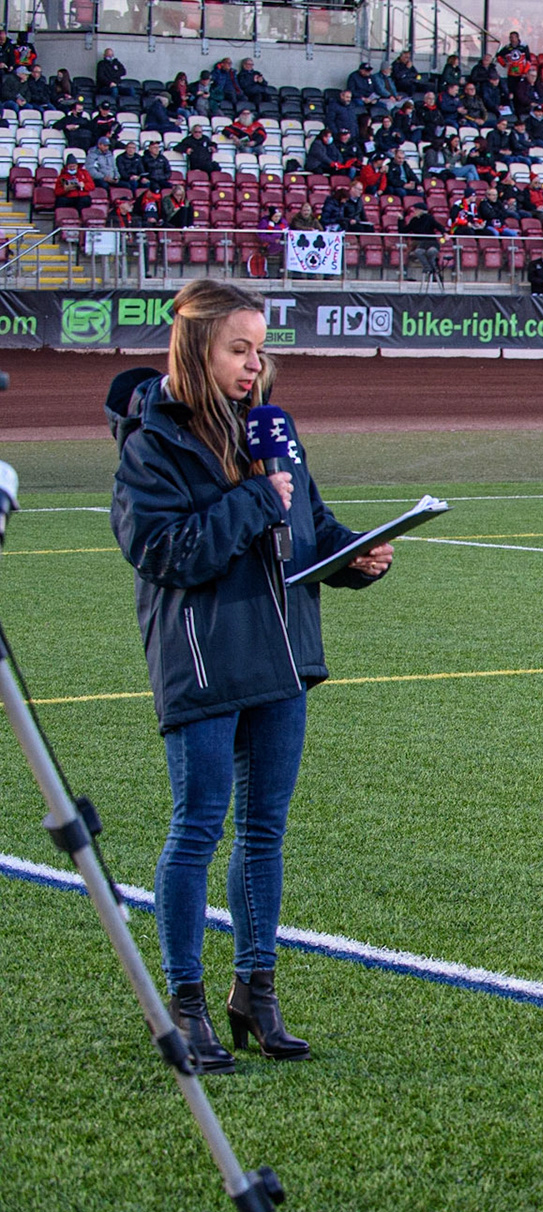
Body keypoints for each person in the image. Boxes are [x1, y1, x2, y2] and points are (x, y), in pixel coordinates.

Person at [109, 281, 394, 1073]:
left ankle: (255, 993)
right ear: (199, 348)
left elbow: (308, 524)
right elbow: (168, 553)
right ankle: (186, 1003)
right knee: (197, 830)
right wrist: (252, 500)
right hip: (203, 664)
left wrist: (359, 555)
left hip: (280, 660)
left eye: (261, 348)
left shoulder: (274, 429)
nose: (255, 363)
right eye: (240, 348)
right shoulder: (149, 442)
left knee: (264, 832)